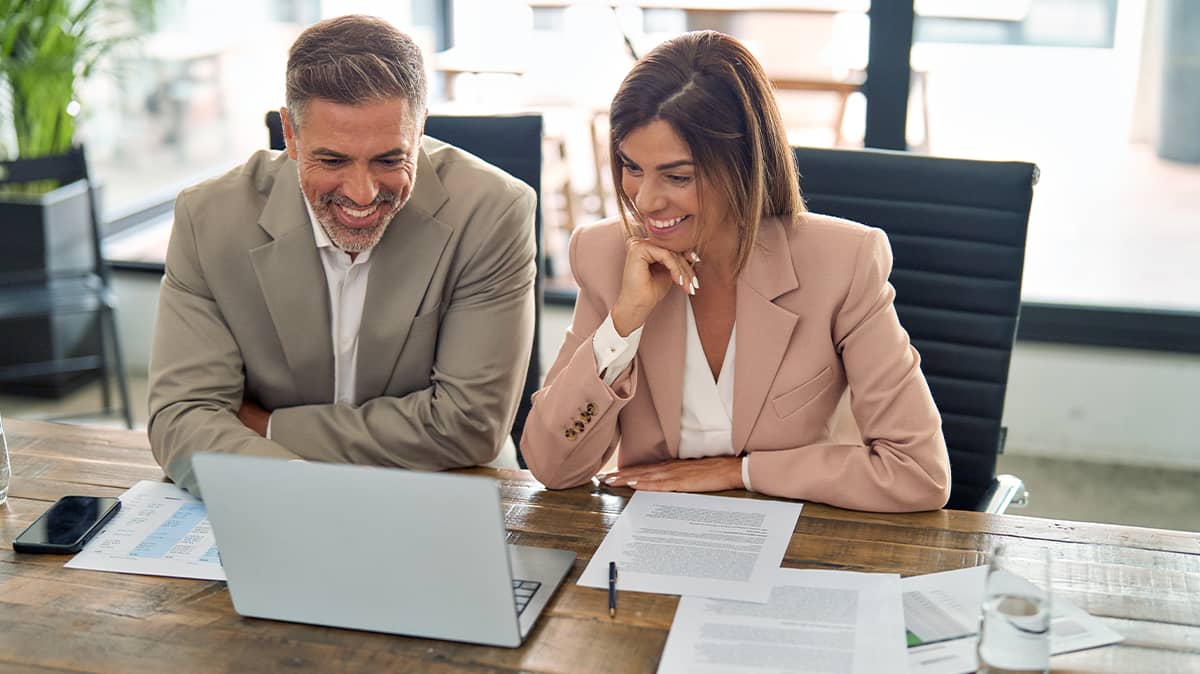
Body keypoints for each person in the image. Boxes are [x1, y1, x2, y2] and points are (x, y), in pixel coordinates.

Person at [521, 31, 950, 512]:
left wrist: (738, 472)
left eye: (677, 176)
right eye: (631, 167)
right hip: (654, 544)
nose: (644, 201)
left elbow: (919, 473)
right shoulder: (606, 255)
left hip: (800, 539)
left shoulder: (843, 263)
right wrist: (621, 325)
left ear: (744, 163)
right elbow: (551, 467)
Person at [148, 15, 537, 495]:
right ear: (290, 135)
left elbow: (469, 426)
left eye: (390, 159)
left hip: (453, 488)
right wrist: (309, 493)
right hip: (274, 489)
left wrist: (267, 427)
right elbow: (182, 418)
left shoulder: (493, 211)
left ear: (419, 131)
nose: (362, 192)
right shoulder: (208, 218)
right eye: (332, 160)